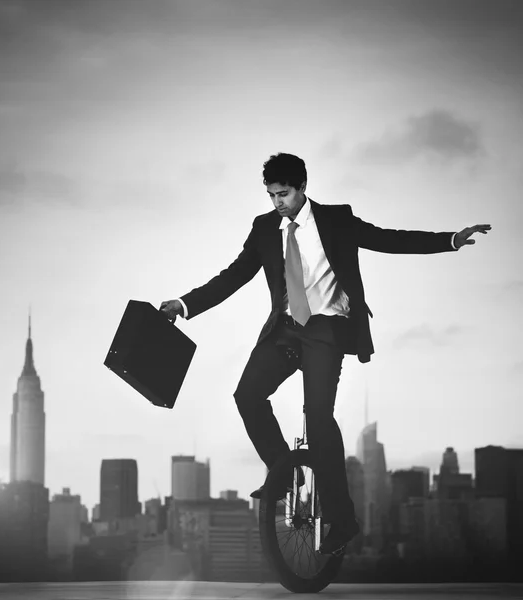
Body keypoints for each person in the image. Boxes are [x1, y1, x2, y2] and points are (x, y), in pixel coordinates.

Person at [160, 152, 491, 554]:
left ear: (302, 187)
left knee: (318, 420)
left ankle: (343, 520)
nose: (277, 202)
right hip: (284, 331)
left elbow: (389, 239)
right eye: (270, 195)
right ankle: (284, 475)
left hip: (326, 330)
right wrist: (185, 303)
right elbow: (233, 276)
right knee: (246, 396)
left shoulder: (336, 220)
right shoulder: (265, 228)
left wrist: (450, 240)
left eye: (283, 194)